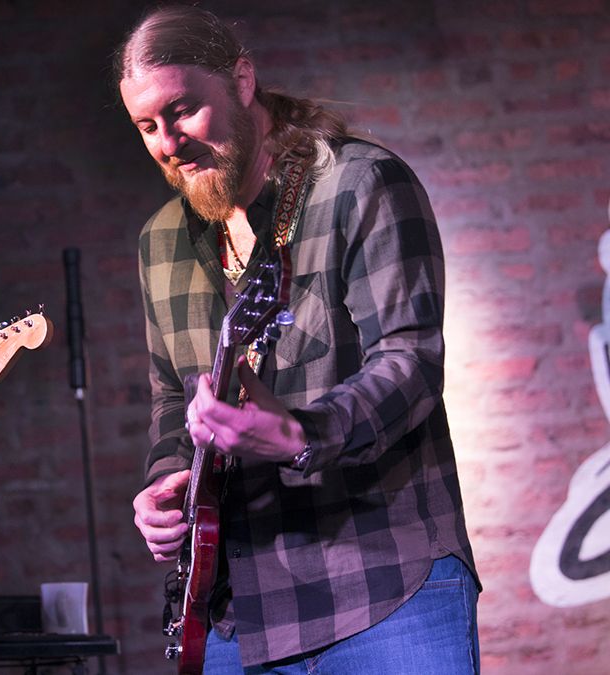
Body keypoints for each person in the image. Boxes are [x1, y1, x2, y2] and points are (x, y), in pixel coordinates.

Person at [115, 6, 480, 673]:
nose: (168, 142)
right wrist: (167, 482)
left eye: (184, 110)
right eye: (147, 126)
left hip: (383, 585)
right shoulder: (161, 240)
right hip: (234, 616)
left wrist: (299, 434)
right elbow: (172, 396)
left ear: (243, 79)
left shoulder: (359, 184)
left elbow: (411, 363)